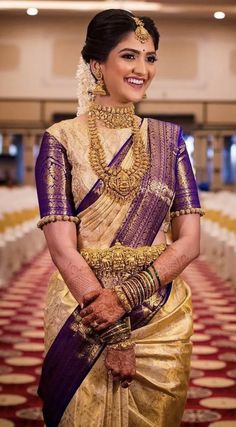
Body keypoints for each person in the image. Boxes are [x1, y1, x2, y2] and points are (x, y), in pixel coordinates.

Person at [35, 9, 204, 427]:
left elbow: (189, 240)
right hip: (83, 311)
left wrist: (125, 298)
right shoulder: (61, 140)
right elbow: (61, 245)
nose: (142, 69)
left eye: (150, 58)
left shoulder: (170, 140)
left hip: (158, 312)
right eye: (129, 56)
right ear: (97, 65)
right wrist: (112, 329)